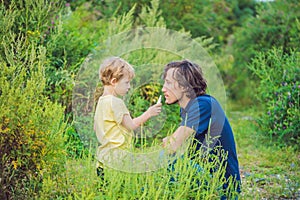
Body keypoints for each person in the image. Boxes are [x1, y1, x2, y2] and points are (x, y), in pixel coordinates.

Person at [161, 60, 241, 198]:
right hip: (208, 177)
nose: (163, 88)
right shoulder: (189, 108)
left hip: (223, 188)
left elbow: (172, 146)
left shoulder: (202, 105)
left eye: (168, 83)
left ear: (185, 86)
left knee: (164, 158)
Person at [94, 57, 162, 175]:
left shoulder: (101, 101)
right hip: (117, 160)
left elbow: (96, 128)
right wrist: (149, 113)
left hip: (103, 160)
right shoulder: (116, 102)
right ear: (114, 81)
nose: (129, 86)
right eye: (126, 82)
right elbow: (131, 125)